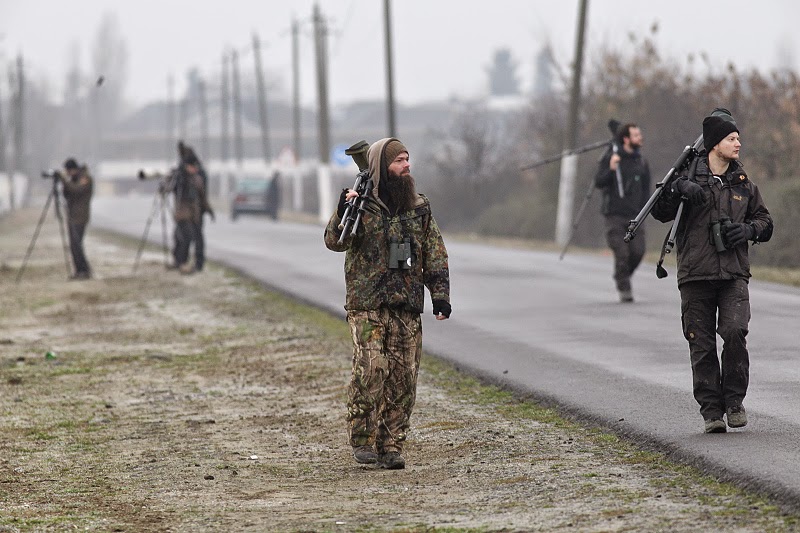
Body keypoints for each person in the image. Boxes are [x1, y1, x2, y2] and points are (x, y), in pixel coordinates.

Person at [324, 138, 451, 469]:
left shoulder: (418, 206)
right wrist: (342, 212)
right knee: (372, 369)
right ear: (383, 167)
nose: (406, 165)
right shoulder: (361, 205)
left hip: (406, 304)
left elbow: (434, 250)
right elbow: (335, 242)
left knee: (403, 378)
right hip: (367, 303)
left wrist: (440, 295)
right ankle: (363, 440)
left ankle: (391, 446)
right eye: (399, 161)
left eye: (408, 159)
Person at [651, 113, 773, 434]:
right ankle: (711, 412)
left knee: (735, 332)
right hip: (695, 274)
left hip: (733, 274)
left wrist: (747, 230)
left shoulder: (743, 183)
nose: (738, 143)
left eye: (738, 138)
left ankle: (734, 403)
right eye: (732, 138)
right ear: (715, 144)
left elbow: (765, 222)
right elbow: (659, 212)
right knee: (701, 344)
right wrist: (677, 189)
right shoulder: (687, 178)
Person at [594, 123, 651, 303]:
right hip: (614, 215)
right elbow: (599, 182)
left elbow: (646, 189)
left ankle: (622, 275)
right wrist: (611, 169)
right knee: (622, 253)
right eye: (636, 135)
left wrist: (644, 209)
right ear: (626, 139)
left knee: (638, 252)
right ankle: (624, 287)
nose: (640, 137)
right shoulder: (611, 157)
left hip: (635, 216)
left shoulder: (641, 161)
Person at [167, 154, 214, 274]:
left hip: (194, 215)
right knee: (183, 239)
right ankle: (181, 262)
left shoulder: (197, 179)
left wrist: (209, 210)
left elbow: (202, 197)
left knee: (192, 238)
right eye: (192, 166)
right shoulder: (179, 178)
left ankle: (187, 263)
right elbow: (168, 188)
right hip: (183, 215)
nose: (194, 169)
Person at [60, 158, 93, 280]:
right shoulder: (73, 179)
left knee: (77, 244)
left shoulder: (85, 178)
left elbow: (76, 190)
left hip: (80, 217)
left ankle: (84, 270)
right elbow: (67, 194)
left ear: (73, 169)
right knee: (73, 245)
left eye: (69, 171)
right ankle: (79, 270)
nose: (68, 174)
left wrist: (64, 180)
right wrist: (65, 183)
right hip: (72, 216)